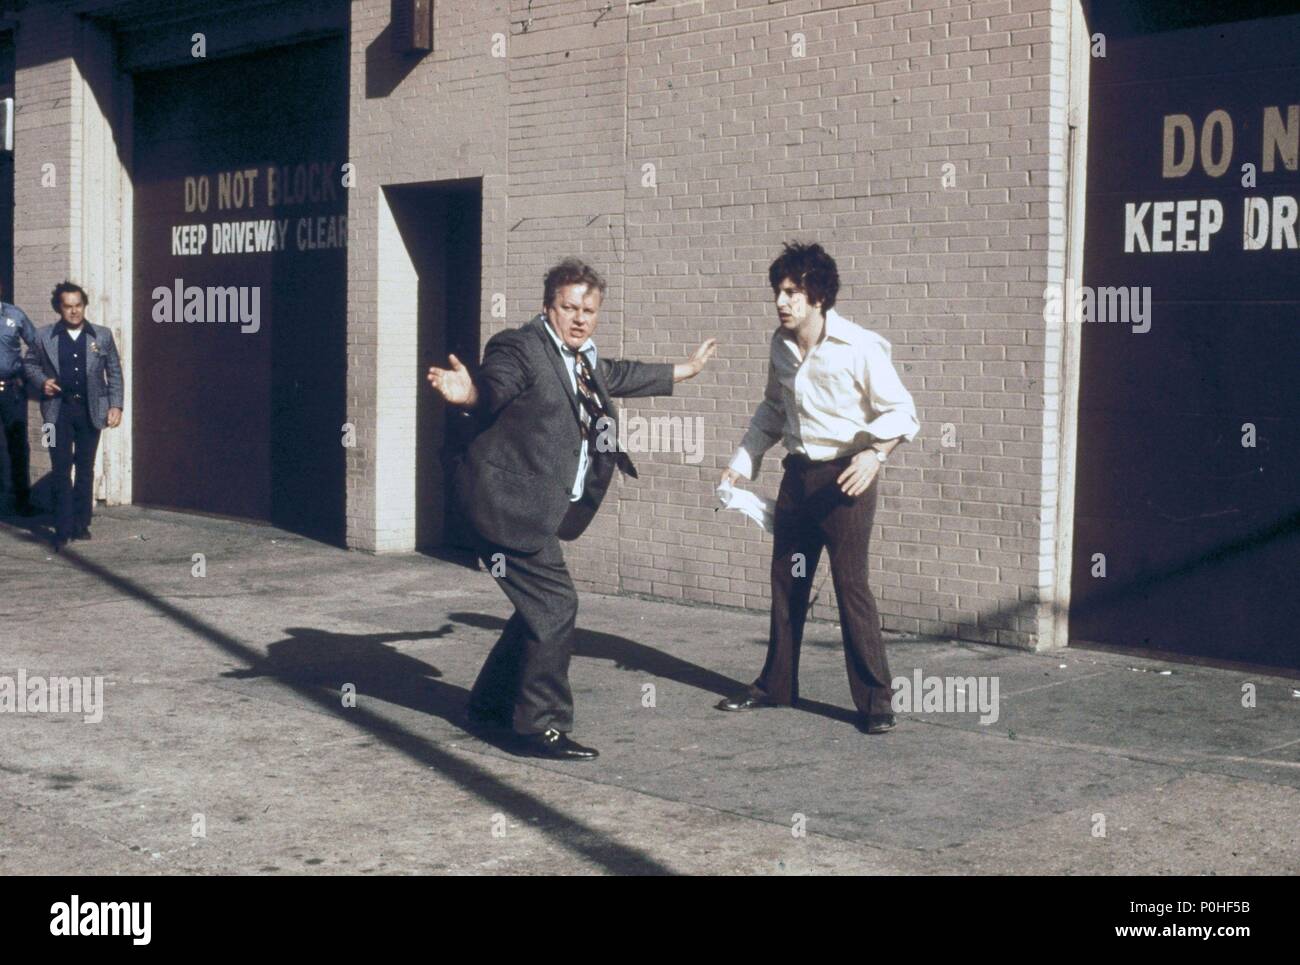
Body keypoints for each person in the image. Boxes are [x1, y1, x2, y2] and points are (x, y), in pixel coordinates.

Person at [427, 257, 716, 760]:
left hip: (538, 507)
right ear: (548, 307)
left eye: (589, 309)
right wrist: (469, 393)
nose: (580, 318)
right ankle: (538, 726)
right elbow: (495, 384)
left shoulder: (579, 359)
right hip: (504, 506)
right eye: (569, 307)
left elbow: (617, 374)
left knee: (535, 610)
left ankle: (490, 706)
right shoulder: (520, 347)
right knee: (557, 606)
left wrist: (682, 370)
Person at [717, 242, 919, 734]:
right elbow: (772, 409)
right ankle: (776, 686)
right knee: (787, 581)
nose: (781, 302)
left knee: (851, 587)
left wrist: (876, 456)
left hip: (846, 480)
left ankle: (876, 704)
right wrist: (743, 462)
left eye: (792, 292)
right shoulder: (780, 345)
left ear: (819, 296)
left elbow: (904, 413)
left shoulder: (861, 347)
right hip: (798, 478)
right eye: (778, 292)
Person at [24, 281, 123, 550]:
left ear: (84, 306)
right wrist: (42, 381)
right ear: (59, 308)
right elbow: (28, 365)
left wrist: (116, 406)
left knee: (86, 468)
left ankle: (81, 524)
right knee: (59, 468)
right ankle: (62, 528)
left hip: (91, 411)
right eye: (67, 307)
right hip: (54, 413)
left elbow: (114, 372)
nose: (74, 312)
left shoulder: (101, 336)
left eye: (78, 306)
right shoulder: (43, 336)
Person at [0, 284, 38, 516]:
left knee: (17, 444)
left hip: (12, 389)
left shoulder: (15, 315)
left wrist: (26, 370)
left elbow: (36, 343)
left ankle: (22, 501)